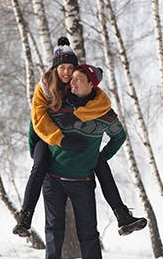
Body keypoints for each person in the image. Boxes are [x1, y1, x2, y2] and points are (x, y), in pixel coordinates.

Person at [13, 37, 147, 237]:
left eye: (70, 68)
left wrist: (77, 117)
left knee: (100, 163)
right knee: (40, 163)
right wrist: (61, 139)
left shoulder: (76, 84)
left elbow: (99, 102)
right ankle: (25, 217)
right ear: (55, 69)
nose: (67, 73)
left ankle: (122, 216)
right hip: (44, 136)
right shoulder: (45, 86)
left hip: (66, 144)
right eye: (62, 68)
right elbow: (38, 119)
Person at [40, 64, 129, 259]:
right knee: (53, 231)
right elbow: (37, 122)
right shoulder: (58, 103)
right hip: (53, 178)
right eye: (72, 78)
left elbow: (119, 137)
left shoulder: (104, 112)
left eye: (78, 79)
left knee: (88, 234)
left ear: (91, 84)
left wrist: (98, 159)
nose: (72, 82)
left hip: (83, 182)